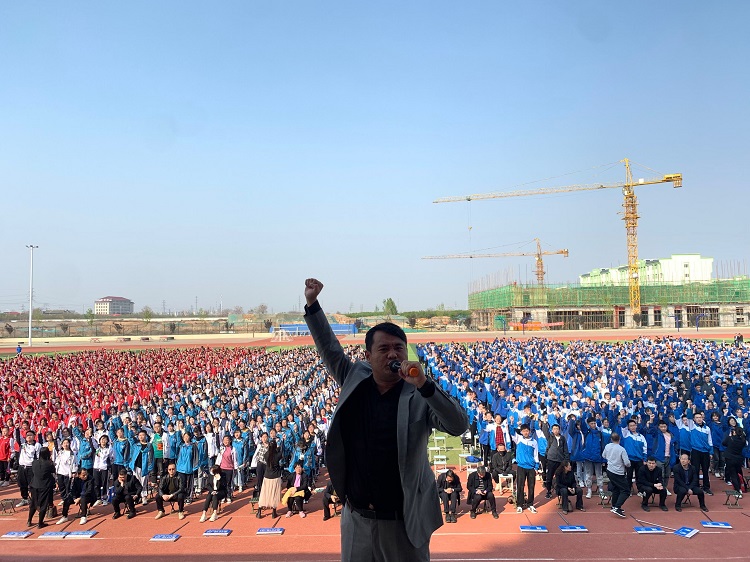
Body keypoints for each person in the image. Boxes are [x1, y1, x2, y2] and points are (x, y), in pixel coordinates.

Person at [304, 278, 468, 561]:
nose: (393, 354)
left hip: (403, 524)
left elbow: (458, 425)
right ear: (368, 356)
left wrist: (425, 385)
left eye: (399, 348)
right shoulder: (354, 378)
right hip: (357, 521)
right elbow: (329, 348)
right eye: (383, 349)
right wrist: (312, 303)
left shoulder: (420, 394)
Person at [601, 432, 630, 518]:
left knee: (616, 488)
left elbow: (603, 455)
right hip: (618, 472)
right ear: (619, 439)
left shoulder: (607, 446)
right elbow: (627, 463)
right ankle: (617, 507)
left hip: (610, 470)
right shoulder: (621, 449)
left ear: (611, 439)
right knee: (626, 490)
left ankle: (614, 505)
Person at [512, 423, 539, 513]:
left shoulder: (534, 442)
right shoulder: (519, 439)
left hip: (531, 467)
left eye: (527, 431)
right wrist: (512, 423)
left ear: (529, 431)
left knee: (531, 486)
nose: (525, 432)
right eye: (523, 431)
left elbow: (536, 455)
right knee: (520, 486)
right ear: (521, 432)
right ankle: (519, 505)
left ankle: (530, 504)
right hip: (521, 467)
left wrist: (536, 467)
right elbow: (511, 431)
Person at [27, 448, 56, 528]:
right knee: (43, 504)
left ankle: (29, 520)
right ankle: (40, 523)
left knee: (33, 503)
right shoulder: (49, 463)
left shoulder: (34, 462)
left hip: (35, 484)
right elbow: (53, 471)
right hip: (45, 486)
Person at [256, 440, 282, 519]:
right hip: (276, 476)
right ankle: (274, 512)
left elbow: (270, 453)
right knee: (274, 494)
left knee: (264, 493)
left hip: (267, 476)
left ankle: (259, 510)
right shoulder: (278, 455)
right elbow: (281, 452)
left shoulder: (266, 454)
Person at [16, 430, 41, 508]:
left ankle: (35, 500)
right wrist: (17, 429)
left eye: (30, 435)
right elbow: (18, 439)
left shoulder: (37, 445)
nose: (29, 436)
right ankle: (25, 498)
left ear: (34, 436)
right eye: (27, 435)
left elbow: (38, 457)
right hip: (22, 467)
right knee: (22, 484)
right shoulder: (23, 445)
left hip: (31, 468)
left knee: (32, 485)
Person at [543, 423, 568, 499]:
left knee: (560, 476)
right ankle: (548, 491)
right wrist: (544, 422)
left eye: (557, 429)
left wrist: (566, 460)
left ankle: (560, 491)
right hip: (551, 459)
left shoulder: (562, 438)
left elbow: (565, 450)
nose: (556, 430)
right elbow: (545, 431)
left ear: (559, 430)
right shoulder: (550, 437)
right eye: (554, 429)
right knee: (549, 476)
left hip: (560, 460)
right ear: (552, 430)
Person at [722, 417, 746, 497]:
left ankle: (737, 490)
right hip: (738, 459)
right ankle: (741, 488)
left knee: (733, 475)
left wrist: (729, 436)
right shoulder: (742, 441)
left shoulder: (730, 438)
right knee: (738, 473)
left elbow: (724, 443)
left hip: (730, 458)